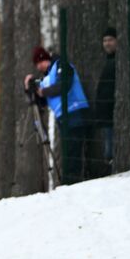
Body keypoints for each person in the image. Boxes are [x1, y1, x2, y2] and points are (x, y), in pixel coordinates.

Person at [25, 45, 91, 185]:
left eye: (40, 63)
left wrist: (44, 92)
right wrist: (29, 89)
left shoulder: (61, 65)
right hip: (65, 118)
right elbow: (41, 102)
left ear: (45, 59)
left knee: (73, 152)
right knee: (69, 152)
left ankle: (73, 182)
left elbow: (64, 85)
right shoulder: (47, 78)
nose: (39, 68)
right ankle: (72, 182)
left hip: (75, 113)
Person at [92, 28, 118, 176]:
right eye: (105, 40)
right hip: (106, 113)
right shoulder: (108, 62)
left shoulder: (116, 62)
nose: (107, 43)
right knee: (108, 149)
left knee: (110, 149)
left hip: (111, 112)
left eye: (110, 40)